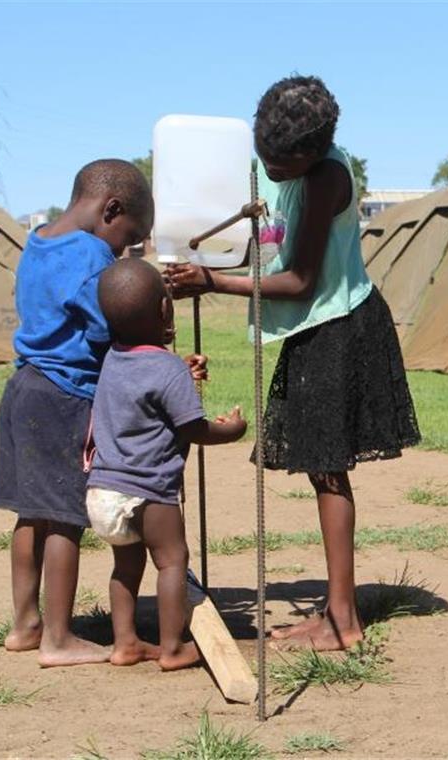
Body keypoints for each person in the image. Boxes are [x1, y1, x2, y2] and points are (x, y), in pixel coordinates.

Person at [166, 75, 421, 651]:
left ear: (312, 151)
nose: (273, 171)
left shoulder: (326, 176)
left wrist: (212, 283)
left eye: (283, 165)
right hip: (319, 326)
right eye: (266, 158)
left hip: (339, 326)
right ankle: (336, 609)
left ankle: (343, 622)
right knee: (321, 469)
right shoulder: (295, 169)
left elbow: (301, 281)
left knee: (329, 469)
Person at [0, 158, 206, 667]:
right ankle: (59, 638)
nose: (122, 255)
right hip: (64, 393)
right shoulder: (90, 255)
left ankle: (25, 624)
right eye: (128, 240)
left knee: (31, 513)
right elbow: (109, 328)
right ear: (111, 210)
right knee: (65, 518)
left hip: (22, 388)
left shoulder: (37, 239)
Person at [85, 258, 247, 670]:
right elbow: (194, 429)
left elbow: (148, 394)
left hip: (102, 492)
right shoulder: (168, 369)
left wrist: (180, 373)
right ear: (163, 309)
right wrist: (232, 431)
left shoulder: (112, 359)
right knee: (173, 560)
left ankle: (126, 644)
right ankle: (172, 647)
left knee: (126, 564)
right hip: (148, 492)